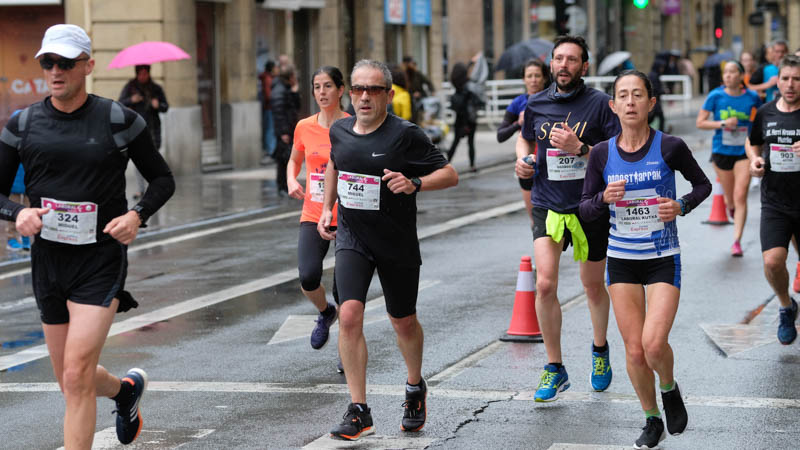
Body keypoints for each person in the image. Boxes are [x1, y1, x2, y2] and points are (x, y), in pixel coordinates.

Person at [0, 24, 175, 448]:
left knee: (76, 373)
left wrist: (137, 215)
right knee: (69, 378)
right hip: (49, 262)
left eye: (65, 62)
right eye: (48, 62)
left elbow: (162, 180)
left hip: (100, 260)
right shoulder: (23, 124)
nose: (55, 71)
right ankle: (124, 392)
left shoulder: (119, 120)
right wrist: (18, 213)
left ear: (88, 66)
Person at [318, 60, 458, 440]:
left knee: (403, 321)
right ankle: (359, 411)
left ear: (389, 95)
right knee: (349, 316)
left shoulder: (405, 135)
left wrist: (415, 183)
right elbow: (335, 164)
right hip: (352, 238)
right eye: (358, 89)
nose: (364, 96)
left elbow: (450, 174)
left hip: (396, 241)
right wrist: (327, 208)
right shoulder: (340, 130)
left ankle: (414, 387)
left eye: (374, 90)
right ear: (350, 93)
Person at [580, 70, 710, 450]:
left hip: (662, 258)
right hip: (622, 260)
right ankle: (652, 417)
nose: (631, 102)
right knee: (635, 350)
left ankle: (668, 387)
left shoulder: (670, 146)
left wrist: (681, 205)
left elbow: (703, 185)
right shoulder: (602, 153)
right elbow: (584, 208)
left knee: (653, 344)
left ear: (651, 103)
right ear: (613, 105)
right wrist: (603, 198)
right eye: (623, 95)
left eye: (638, 94)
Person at [514, 35, 621, 402]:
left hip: (590, 204)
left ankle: (600, 350)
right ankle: (555, 366)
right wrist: (523, 160)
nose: (563, 65)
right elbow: (526, 139)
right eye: (558, 58)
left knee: (592, 284)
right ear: (551, 63)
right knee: (544, 284)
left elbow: (617, 154)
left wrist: (582, 149)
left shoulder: (600, 105)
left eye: (572, 59)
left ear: (584, 66)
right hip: (548, 202)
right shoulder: (536, 103)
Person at [287, 66, 349, 351]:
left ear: (341, 89)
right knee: (308, 276)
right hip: (313, 212)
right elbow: (294, 160)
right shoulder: (304, 126)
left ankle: (347, 351)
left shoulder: (352, 125)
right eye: (317, 87)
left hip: (348, 215)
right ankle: (325, 312)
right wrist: (291, 179)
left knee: (344, 289)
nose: (322, 92)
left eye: (328, 86)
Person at [746, 55, 800, 345]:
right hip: (775, 201)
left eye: (797, 79)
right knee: (773, 262)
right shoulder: (766, 112)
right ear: (777, 81)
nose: (791, 85)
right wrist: (754, 160)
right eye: (786, 78)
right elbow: (752, 141)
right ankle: (786, 306)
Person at [696, 61, 761, 256]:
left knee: (740, 195)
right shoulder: (716, 95)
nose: (728, 75)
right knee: (731, 200)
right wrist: (723, 123)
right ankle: (731, 208)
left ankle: (736, 241)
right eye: (726, 72)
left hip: (744, 151)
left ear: (741, 75)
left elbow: (761, 119)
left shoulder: (752, 97)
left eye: (733, 72)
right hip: (721, 151)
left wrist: (759, 144)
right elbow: (700, 123)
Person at [497, 58, 551, 227]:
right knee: (536, 221)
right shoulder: (518, 103)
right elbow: (500, 135)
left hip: (550, 162)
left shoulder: (553, 99)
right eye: (529, 76)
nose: (533, 80)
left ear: (544, 78)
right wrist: (518, 123)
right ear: (524, 79)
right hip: (528, 162)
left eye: (537, 75)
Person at [118, 64, 169, 198]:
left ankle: (154, 187)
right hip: (136, 130)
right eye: (140, 73)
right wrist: (131, 100)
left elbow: (165, 106)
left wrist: (158, 105)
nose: (143, 76)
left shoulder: (156, 88)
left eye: (145, 73)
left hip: (153, 130)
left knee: (153, 160)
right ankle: (141, 189)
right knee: (138, 160)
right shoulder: (130, 87)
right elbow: (120, 103)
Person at [447, 59, 484, 171]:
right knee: (471, 143)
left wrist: (470, 63)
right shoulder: (468, 88)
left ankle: (445, 164)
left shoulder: (456, 84)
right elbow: (478, 101)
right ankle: (472, 165)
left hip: (459, 120)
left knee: (455, 143)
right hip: (469, 119)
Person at [272, 64, 301, 195]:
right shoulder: (280, 90)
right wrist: (283, 132)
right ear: (290, 77)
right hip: (285, 131)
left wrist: (295, 92)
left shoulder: (287, 89)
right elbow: (278, 112)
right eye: (294, 76)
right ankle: (282, 186)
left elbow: (296, 106)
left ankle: (285, 186)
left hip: (289, 129)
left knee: (286, 158)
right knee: (283, 160)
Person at [403, 56, 435, 123]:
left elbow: (428, 82)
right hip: (408, 98)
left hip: (419, 97)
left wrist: (432, 91)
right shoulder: (404, 74)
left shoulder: (418, 74)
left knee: (420, 115)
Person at [259, 60, 278, 160]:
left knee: (270, 129)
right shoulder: (268, 79)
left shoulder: (269, 78)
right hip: (270, 108)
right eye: (275, 67)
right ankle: (270, 151)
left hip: (269, 107)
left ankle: (271, 150)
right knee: (270, 129)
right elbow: (268, 95)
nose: (277, 69)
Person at [647, 59, 667, 132]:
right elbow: (654, 88)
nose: (662, 69)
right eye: (661, 67)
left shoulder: (654, 74)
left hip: (655, 100)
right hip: (654, 100)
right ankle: (662, 132)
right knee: (658, 117)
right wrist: (663, 91)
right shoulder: (653, 75)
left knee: (654, 117)